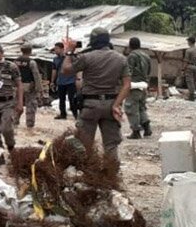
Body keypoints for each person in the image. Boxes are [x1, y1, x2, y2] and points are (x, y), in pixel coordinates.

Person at [61, 27, 131, 162]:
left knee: (84, 145)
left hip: (90, 105)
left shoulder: (87, 57)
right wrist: (116, 105)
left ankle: (86, 175)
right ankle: (111, 177)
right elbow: (127, 85)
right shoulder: (121, 59)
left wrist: (69, 52)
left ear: (92, 41)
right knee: (111, 145)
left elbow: (66, 70)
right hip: (111, 105)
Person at [125, 37, 152, 139]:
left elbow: (128, 72)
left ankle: (135, 131)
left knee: (131, 108)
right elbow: (149, 71)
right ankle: (147, 127)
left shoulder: (132, 56)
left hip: (134, 85)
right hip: (143, 84)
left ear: (130, 45)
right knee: (141, 107)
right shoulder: (146, 55)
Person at [13, 43, 42, 128]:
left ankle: (15, 121)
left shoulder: (15, 61)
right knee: (31, 106)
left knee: (16, 104)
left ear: (21, 50)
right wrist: (40, 90)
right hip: (29, 87)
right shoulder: (31, 62)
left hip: (17, 87)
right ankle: (29, 124)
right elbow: (36, 76)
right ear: (30, 51)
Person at [51, 42, 78, 120]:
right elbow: (54, 70)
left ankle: (75, 114)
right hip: (60, 81)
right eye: (55, 49)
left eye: (57, 49)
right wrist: (52, 81)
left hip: (70, 81)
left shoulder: (69, 57)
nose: (55, 51)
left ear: (62, 49)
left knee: (72, 99)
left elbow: (76, 67)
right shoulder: (55, 59)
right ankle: (63, 114)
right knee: (61, 99)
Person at [184, 37, 196, 101]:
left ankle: (192, 96)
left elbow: (186, 61)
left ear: (190, 42)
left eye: (188, 41)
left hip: (190, 66)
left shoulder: (189, 50)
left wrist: (183, 69)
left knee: (190, 81)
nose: (187, 43)